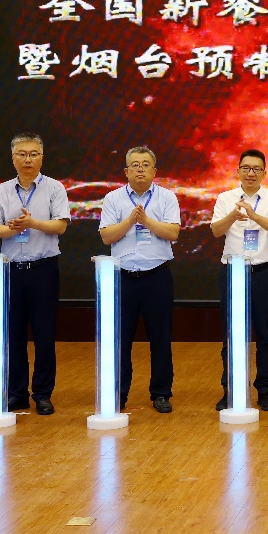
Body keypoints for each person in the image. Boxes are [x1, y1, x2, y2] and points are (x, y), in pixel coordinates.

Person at [0, 133, 70, 416]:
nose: (28, 159)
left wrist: (32, 223)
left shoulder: (54, 188)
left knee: (44, 334)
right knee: (13, 335)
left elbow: (60, 226)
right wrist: (14, 228)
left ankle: (43, 394)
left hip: (43, 269)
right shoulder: (1, 191)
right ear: (13, 158)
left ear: (41, 158)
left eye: (33, 154)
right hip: (11, 270)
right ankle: (17, 393)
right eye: (22, 154)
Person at [98, 146, 181, 413]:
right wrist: (130, 221)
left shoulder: (167, 197)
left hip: (157, 276)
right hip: (123, 278)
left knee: (160, 338)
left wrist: (145, 220)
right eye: (135, 165)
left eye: (146, 164)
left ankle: (161, 393)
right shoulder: (113, 199)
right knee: (120, 339)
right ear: (126, 171)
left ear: (154, 171)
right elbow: (107, 236)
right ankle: (119, 394)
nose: (140, 169)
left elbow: (173, 233)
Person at [211, 149, 268, 412]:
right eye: (246, 168)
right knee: (231, 335)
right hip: (233, 272)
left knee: (265, 334)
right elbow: (216, 230)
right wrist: (233, 215)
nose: (251, 173)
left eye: (256, 169)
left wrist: (253, 216)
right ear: (238, 171)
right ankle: (231, 390)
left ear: (264, 173)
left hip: (262, 273)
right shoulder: (225, 198)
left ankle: (265, 391)